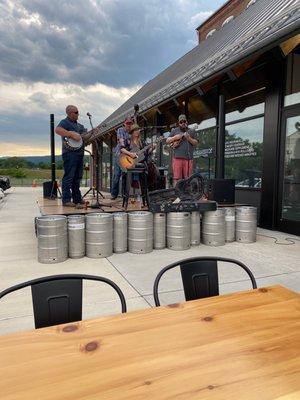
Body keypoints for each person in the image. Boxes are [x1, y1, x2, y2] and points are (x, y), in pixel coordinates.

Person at [55, 105, 88, 207]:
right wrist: (71, 134)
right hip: (69, 154)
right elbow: (57, 130)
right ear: (69, 113)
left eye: (78, 112)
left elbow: (85, 137)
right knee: (69, 177)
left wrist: (93, 132)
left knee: (77, 177)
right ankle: (66, 200)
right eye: (76, 112)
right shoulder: (65, 122)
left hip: (79, 153)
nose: (78, 114)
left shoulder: (80, 126)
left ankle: (77, 199)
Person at [166, 114, 198, 186]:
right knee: (177, 179)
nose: (183, 123)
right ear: (179, 123)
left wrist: (189, 138)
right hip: (177, 159)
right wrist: (174, 138)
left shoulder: (191, 131)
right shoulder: (175, 130)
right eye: (181, 122)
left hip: (188, 159)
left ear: (187, 122)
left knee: (188, 178)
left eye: (184, 121)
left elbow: (196, 143)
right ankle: (177, 194)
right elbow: (167, 140)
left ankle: (187, 194)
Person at [111, 117, 133, 200]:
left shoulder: (132, 132)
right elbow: (122, 143)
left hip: (127, 157)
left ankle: (124, 194)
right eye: (127, 123)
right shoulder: (120, 130)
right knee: (116, 175)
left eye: (130, 123)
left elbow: (132, 145)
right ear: (124, 123)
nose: (129, 125)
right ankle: (114, 194)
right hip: (119, 155)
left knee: (126, 175)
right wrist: (128, 142)